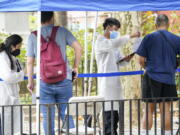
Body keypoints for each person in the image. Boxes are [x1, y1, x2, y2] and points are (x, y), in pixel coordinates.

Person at [26, 11, 82, 135]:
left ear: (39, 19)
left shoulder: (33, 36)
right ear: (52, 17)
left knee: (47, 116)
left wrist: (30, 82)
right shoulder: (62, 31)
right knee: (66, 114)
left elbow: (29, 62)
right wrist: (75, 67)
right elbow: (78, 48)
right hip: (64, 78)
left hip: (43, 81)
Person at [94, 18, 140, 135]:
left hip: (115, 83)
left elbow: (119, 61)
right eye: (115, 29)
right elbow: (115, 43)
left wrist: (128, 58)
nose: (116, 33)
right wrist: (131, 36)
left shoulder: (113, 44)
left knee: (115, 117)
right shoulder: (101, 41)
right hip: (106, 83)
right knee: (108, 116)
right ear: (108, 27)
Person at [136, 14, 180, 135]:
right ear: (168, 24)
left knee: (149, 110)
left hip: (151, 77)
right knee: (166, 109)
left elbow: (141, 60)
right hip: (168, 78)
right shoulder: (176, 39)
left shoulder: (149, 37)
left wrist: (148, 67)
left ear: (156, 25)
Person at [0, 34, 24, 135]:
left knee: (12, 123)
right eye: (19, 46)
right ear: (13, 46)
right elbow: (8, 76)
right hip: (5, 94)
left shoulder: (12, 57)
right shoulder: (3, 57)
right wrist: (22, 74)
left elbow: (19, 69)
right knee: (6, 122)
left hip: (11, 94)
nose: (20, 48)